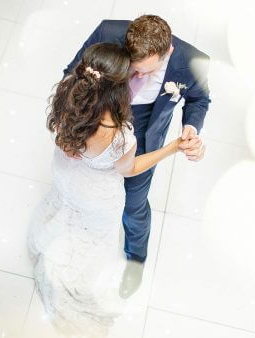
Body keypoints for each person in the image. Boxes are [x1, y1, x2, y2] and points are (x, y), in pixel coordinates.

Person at [28, 42, 186, 337]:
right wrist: (171, 148)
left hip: (65, 174)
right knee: (92, 241)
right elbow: (130, 169)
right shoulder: (119, 136)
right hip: (96, 197)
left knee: (63, 208)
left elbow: (64, 139)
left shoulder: (66, 95)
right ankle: (72, 288)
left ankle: (49, 246)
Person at [63, 15, 211, 265]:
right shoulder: (107, 31)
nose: (137, 73)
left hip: (145, 130)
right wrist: (69, 130)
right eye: (133, 66)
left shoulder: (192, 60)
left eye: (147, 70)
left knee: (134, 204)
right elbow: (71, 76)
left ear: (168, 51)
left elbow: (199, 99)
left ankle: (136, 256)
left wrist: (191, 129)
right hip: (96, 119)